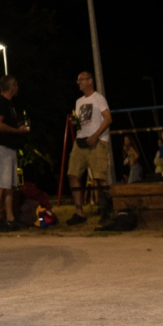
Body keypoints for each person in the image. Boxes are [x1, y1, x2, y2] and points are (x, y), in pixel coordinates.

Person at [67, 72, 112, 225]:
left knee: (99, 178)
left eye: (82, 79)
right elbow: (82, 121)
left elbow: (108, 118)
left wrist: (95, 136)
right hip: (81, 141)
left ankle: (107, 210)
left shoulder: (98, 98)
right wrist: (75, 122)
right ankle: (79, 212)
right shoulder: (78, 101)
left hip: (97, 141)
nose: (78, 82)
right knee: (73, 174)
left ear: (90, 81)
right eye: (77, 80)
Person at [0, 76, 29, 231]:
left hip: (9, 147)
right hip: (0, 147)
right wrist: (16, 131)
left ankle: (10, 218)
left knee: (10, 184)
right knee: (1, 183)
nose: (18, 87)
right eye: (16, 84)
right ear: (12, 86)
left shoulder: (9, 104)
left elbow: (7, 123)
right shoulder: (0, 102)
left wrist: (18, 126)